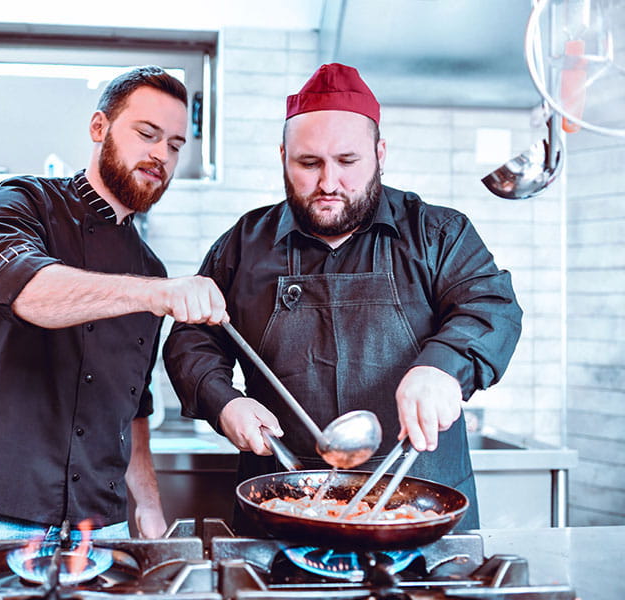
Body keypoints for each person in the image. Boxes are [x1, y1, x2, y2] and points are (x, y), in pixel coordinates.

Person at [162, 63, 523, 531]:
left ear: (380, 153)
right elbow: (193, 339)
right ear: (282, 157)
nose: (329, 183)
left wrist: (442, 366)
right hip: (283, 503)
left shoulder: (438, 233)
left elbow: (491, 306)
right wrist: (222, 401)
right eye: (309, 163)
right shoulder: (245, 243)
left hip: (418, 505)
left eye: (347, 162)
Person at [0, 66, 227, 541]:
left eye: (173, 145)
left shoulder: (150, 268)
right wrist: (157, 294)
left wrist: (148, 508)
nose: (160, 155)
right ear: (99, 127)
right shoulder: (22, 202)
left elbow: (133, 407)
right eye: (146, 134)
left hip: (98, 528)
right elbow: (27, 293)